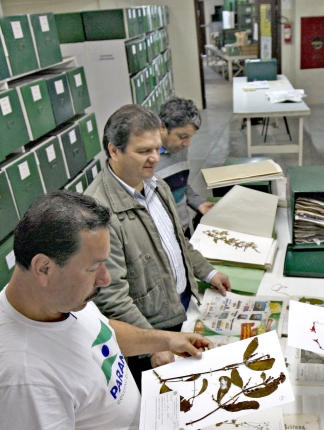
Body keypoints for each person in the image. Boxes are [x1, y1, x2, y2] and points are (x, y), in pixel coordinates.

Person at [0, 191, 210, 430]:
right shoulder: (20, 374)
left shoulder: (59, 297)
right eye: (93, 267)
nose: (106, 279)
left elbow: (100, 331)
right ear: (43, 267)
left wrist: (162, 339)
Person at [84, 104, 231, 386]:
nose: (154, 158)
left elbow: (179, 243)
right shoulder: (99, 212)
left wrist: (208, 273)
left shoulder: (156, 185)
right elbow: (112, 296)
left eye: (156, 149)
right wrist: (152, 344)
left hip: (182, 310)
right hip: (152, 333)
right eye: (143, 151)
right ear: (114, 150)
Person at [157, 97, 215, 233]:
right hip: (162, 239)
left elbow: (180, 185)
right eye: (182, 136)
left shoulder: (180, 149)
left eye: (190, 137)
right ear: (162, 128)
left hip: (183, 230)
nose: (187, 144)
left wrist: (198, 202)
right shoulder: (145, 160)